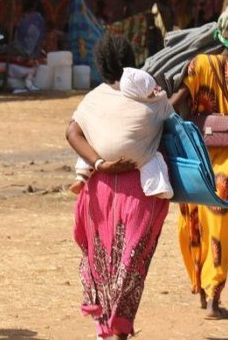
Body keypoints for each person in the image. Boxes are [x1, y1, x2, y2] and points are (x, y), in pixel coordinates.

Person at [66, 34, 173, 339]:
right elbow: (173, 118)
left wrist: (99, 164)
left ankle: (106, 327)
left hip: (98, 192)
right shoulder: (151, 97)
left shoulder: (93, 98)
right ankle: (119, 329)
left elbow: (72, 132)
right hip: (139, 190)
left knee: (101, 262)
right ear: (131, 61)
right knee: (131, 263)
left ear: (100, 65)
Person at [169, 9, 228, 319]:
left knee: (193, 220)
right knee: (222, 228)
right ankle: (214, 296)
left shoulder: (199, 64)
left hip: (195, 157)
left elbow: (178, 100)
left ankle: (198, 284)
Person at [69, 68, 172, 199]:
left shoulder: (101, 98)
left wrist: (99, 163)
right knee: (154, 159)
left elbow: (72, 132)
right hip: (137, 158)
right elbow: (171, 115)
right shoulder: (153, 107)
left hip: (102, 155)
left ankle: (81, 177)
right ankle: (157, 187)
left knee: (89, 145)